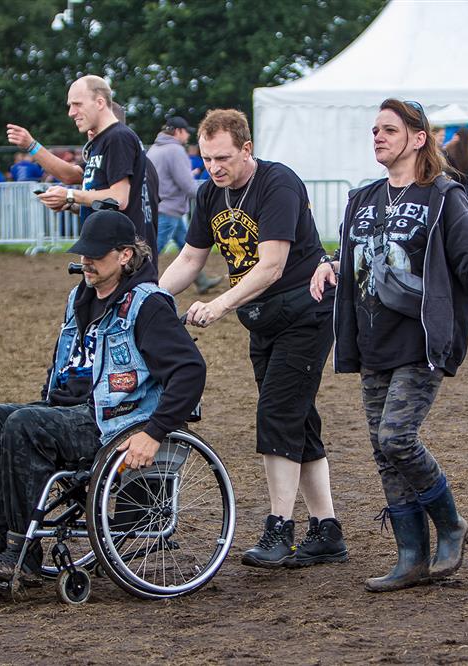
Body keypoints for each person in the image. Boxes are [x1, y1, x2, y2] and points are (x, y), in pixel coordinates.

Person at [0, 210, 205, 583]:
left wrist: (155, 432)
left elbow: (190, 370)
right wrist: (48, 397)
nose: (85, 261)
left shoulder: (147, 304)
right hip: (66, 410)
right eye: (82, 253)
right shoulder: (79, 297)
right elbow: (62, 362)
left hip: (113, 420)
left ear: (125, 255)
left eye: (95, 253)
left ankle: (20, 554)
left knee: (24, 425)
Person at [310, 98, 468, 592]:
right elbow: (357, 255)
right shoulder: (362, 198)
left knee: (396, 437)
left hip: (421, 342)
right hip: (370, 341)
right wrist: (331, 264)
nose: (376, 137)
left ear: (418, 138)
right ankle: (410, 556)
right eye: (374, 130)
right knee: (384, 452)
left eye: (388, 129)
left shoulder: (443, 195)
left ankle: (450, 523)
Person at [160, 108, 348, 569]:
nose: (214, 167)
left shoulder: (278, 184)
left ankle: (278, 527)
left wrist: (221, 304)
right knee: (297, 419)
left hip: (305, 313)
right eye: (205, 159)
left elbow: (272, 266)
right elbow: (190, 258)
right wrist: (149, 297)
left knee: (277, 415)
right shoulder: (209, 196)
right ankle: (327, 530)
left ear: (247, 149)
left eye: (223, 157)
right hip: (262, 319)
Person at [6, 75, 157, 256]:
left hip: (120, 255)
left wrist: (69, 195)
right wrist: (70, 203)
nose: (71, 112)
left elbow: (118, 199)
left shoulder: (118, 138)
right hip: (109, 250)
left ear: (100, 103)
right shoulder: (107, 142)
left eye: (77, 104)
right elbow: (72, 177)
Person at [147, 116, 222, 294]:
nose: (188, 135)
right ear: (178, 131)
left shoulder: (154, 149)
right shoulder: (175, 150)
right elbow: (187, 184)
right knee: (150, 255)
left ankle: (202, 281)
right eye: (186, 131)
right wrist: (210, 199)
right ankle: (138, 287)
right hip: (169, 209)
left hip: (157, 206)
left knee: (185, 244)